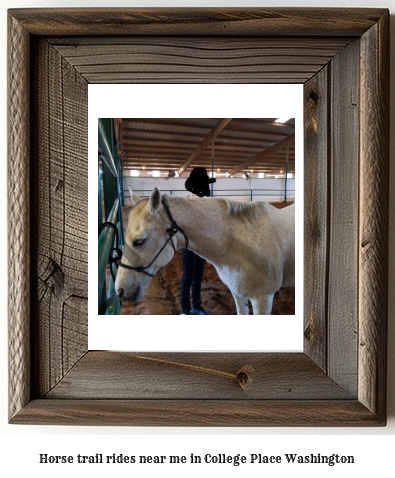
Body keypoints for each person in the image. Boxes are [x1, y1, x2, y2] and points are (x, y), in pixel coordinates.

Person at [179, 167, 215, 315]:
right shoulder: (186, 204)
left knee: (197, 276)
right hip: (189, 246)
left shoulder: (207, 202)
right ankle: (185, 310)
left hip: (201, 245)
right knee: (188, 277)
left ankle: (196, 306)